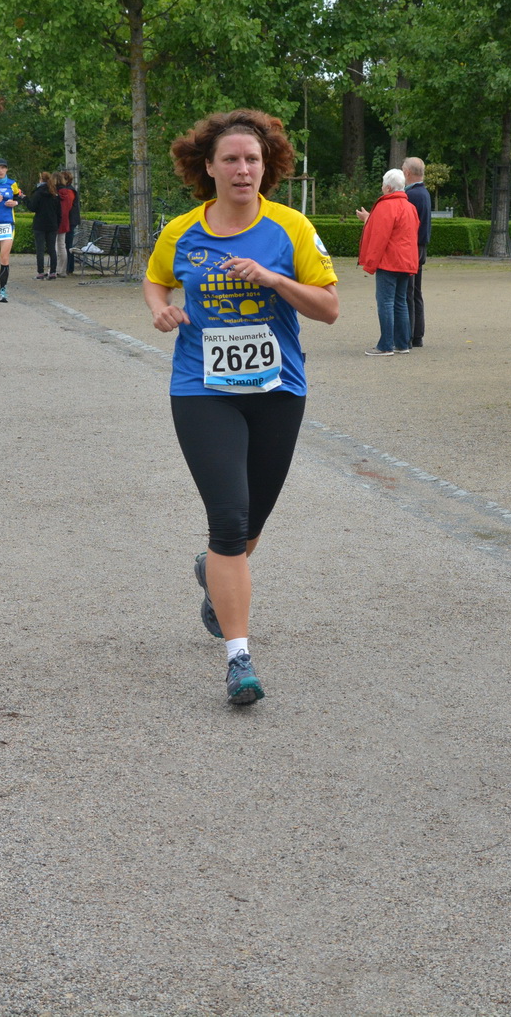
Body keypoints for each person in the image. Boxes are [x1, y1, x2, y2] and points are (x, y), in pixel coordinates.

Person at [143, 109, 339, 705]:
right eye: (230, 158)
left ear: (268, 165)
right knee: (227, 520)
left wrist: (274, 279)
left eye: (252, 158)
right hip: (201, 389)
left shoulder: (292, 228)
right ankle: (239, 659)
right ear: (208, 167)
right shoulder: (181, 231)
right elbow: (156, 280)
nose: (242, 168)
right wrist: (160, 308)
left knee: (249, 528)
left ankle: (214, 573)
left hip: (277, 390)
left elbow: (329, 308)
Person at [355, 168, 420, 355]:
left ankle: (385, 345)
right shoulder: (410, 207)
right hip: (406, 261)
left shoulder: (385, 206)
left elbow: (378, 237)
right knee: (400, 301)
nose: (382, 187)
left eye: (383, 184)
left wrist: (370, 263)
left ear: (388, 187)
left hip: (389, 261)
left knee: (385, 302)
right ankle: (402, 343)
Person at [402, 157, 432, 349]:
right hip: (420, 247)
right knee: (415, 292)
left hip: (412, 247)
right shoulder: (424, 193)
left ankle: (410, 334)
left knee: (408, 292)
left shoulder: (412, 195)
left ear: (407, 173)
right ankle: (417, 334)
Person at [0, 158, 22, 300]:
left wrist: (15, 202)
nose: (1, 171)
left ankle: (3, 291)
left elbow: (19, 196)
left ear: (6, 169)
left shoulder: (12, 184)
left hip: (8, 224)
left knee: (5, 258)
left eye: (3, 168)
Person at [30, 171, 60, 278]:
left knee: (40, 249)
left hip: (39, 224)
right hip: (52, 224)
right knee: (52, 249)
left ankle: (40, 272)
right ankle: (53, 271)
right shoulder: (54, 193)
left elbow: (32, 207)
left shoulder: (38, 193)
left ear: (41, 180)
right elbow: (59, 211)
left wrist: (24, 199)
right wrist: (57, 223)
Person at [56, 170, 81, 278]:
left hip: (69, 220)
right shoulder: (71, 190)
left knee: (67, 244)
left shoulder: (68, 191)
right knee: (67, 244)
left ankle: (68, 267)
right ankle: (68, 267)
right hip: (71, 220)